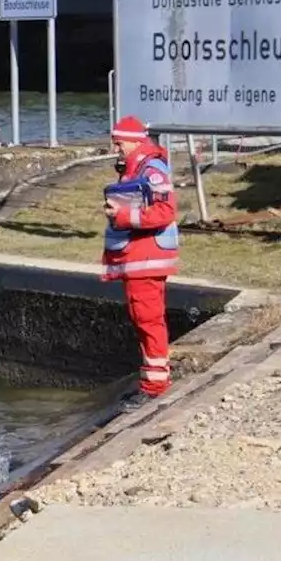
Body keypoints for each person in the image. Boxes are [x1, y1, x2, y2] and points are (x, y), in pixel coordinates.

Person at [101, 115, 179, 412]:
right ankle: (153, 379)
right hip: (139, 258)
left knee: (148, 320)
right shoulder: (139, 166)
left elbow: (164, 211)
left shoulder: (152, 168)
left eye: (119, 143)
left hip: (145, 258)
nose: (116, 148)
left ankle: (155, 386)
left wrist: (121, 217)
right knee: (145, 320)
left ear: (133, 141)